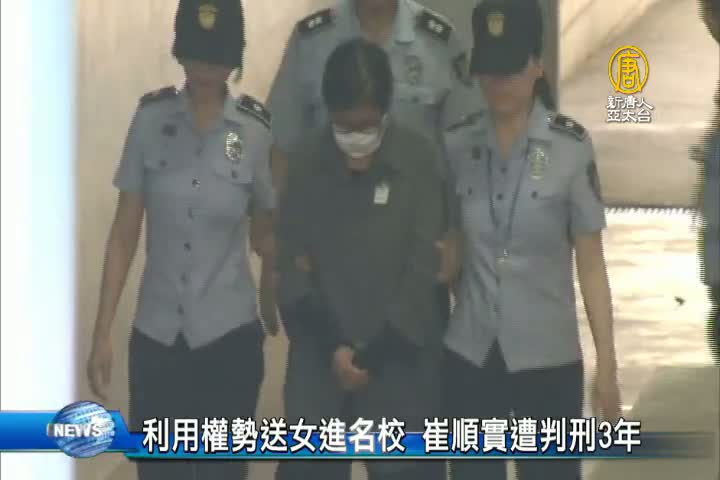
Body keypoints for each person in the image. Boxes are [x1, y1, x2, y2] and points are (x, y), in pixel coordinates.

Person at [85, 1, 275, 478]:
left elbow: (268, 227)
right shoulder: (150, 119)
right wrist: (102, 331)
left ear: (234, 57)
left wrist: (277, 281)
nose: (205, 69)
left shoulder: (254, 131)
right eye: (195, 55)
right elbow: (125, 232)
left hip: (229, 338)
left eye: (216, 57)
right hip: (158, 337)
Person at [442, 1, 621, 479]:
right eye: (490, 69)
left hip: (548, 358)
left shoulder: (570, 148)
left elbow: (591, 263)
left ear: (538, 66)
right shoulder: (457, 146)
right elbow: (449, 245)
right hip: (472, 355)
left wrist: (606, 365)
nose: (499, 82)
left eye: (512, 68)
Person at [275, 38, 447, 480]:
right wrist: (335, 349)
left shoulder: (418, 160)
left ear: (386, 112)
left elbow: (423, 268)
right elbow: (292, 268)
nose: (356, 138)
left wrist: (375, 355)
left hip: (400, 369)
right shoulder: (307, 162)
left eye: (366, 126)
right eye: (345, 126)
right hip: (320, 369)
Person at [257, 0, 479, 329]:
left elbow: (467, 157)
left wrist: (458, 236)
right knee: (325, 352)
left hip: (414, 262)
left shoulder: (439, 43)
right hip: (328, 266)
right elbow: (282, 151)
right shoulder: (311, 40)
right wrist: (274, 257)